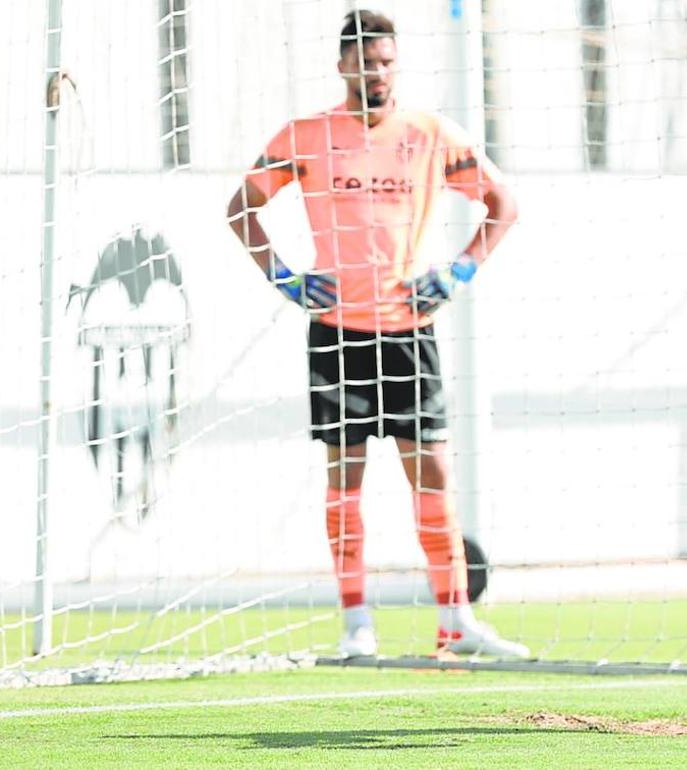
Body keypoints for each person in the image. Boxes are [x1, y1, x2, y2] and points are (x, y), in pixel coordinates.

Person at [225, 10, 527, 659]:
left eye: (387, 61)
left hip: (407, 331)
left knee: (434, 476)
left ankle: (456, 622)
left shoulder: (429, 133)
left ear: (397, 65)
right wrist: (286, 279)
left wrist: (457, 272)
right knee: (345, 481)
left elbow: (504, 205)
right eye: (365, 61)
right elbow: (240, 208)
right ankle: (356, 624)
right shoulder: (307, 135)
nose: (377, 71)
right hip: (337, 334)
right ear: (342, 66)